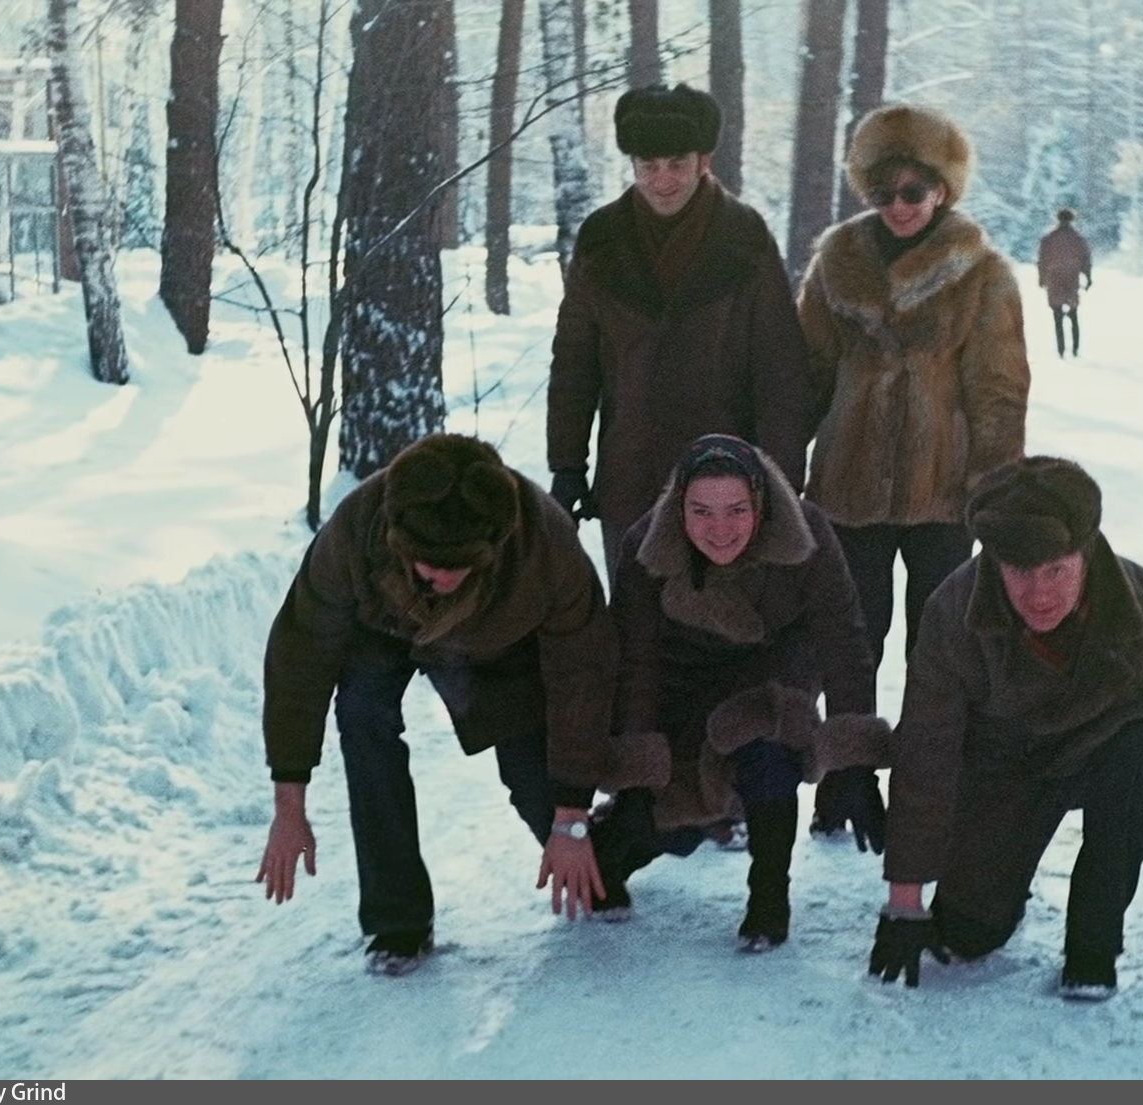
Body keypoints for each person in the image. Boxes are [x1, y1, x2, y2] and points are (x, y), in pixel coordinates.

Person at [864, 455, 1143, 1001]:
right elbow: (926, 750)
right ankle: (993, 894)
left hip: (1105, 752)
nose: (1039, 594)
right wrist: (905, 900)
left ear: (1085, 553)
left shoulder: (1139, 600)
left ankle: (1093, 946)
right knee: (965, 936)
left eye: (1057, 571)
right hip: (1000, 766)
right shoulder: (953, 610)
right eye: (1020, 572)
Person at [255, 433, 620, 977]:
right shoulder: (356, 529)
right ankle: (397, 921)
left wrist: (570, 818)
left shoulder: (544, 545)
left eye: (461, 565)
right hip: (383, 630)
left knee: (541, 788)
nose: (445, 578)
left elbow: (582, 673)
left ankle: (612, 847)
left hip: (499, 642)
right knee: (363, 714)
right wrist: (289, 806)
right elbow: (300, 657)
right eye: (431, 565)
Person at [794, 103, 1030, 838]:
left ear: (942, 190)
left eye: (914, 191)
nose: (898, 206)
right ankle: (846, 776)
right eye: (883, 192)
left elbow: (999, 389)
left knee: (940, 645)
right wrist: (780, 466)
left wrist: (994, 489)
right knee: (850, 640)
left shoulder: (982, 273)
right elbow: (807, 375)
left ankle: (930, 787)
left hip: (944, 493)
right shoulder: (836, 263)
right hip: (848, 487)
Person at [592, 434, 891, 952]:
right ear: (678, 508)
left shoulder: (807, 533)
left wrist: (855, 763)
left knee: (770, 747)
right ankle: (615, 846)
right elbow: (636, 663)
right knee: (671, 824)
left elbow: (843, 640)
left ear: (760, 503)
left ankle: (770, 895)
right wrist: (638, 781)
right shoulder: (646, 546)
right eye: (701, 512)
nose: (720, 529)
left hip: (772, 669)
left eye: (736, 510)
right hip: (680, 684)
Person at [547, 82, 811, 584]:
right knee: (634, 613)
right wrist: (567, 465)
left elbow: (780, 368)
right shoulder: (601, 238)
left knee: (721, 614)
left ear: (703, 160)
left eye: (676, 163)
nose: (662, 180)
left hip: (724, 484)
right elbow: (575, 362)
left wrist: (780, 481)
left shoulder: (744, 236)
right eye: (648, 165)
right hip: (630, 473)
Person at [1037, 208, 1093, 358]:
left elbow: (1042, 260)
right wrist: (1088, 278)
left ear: (1057, 219)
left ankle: (1061, 349)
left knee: (1057, 315)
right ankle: (1075, 348)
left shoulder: (1049, 239)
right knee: (1073, 314)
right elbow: (1086, 260)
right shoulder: (1078, 239)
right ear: (1072, 220)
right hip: (1071, 278)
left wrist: (1041, 278)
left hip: (1054, 279)